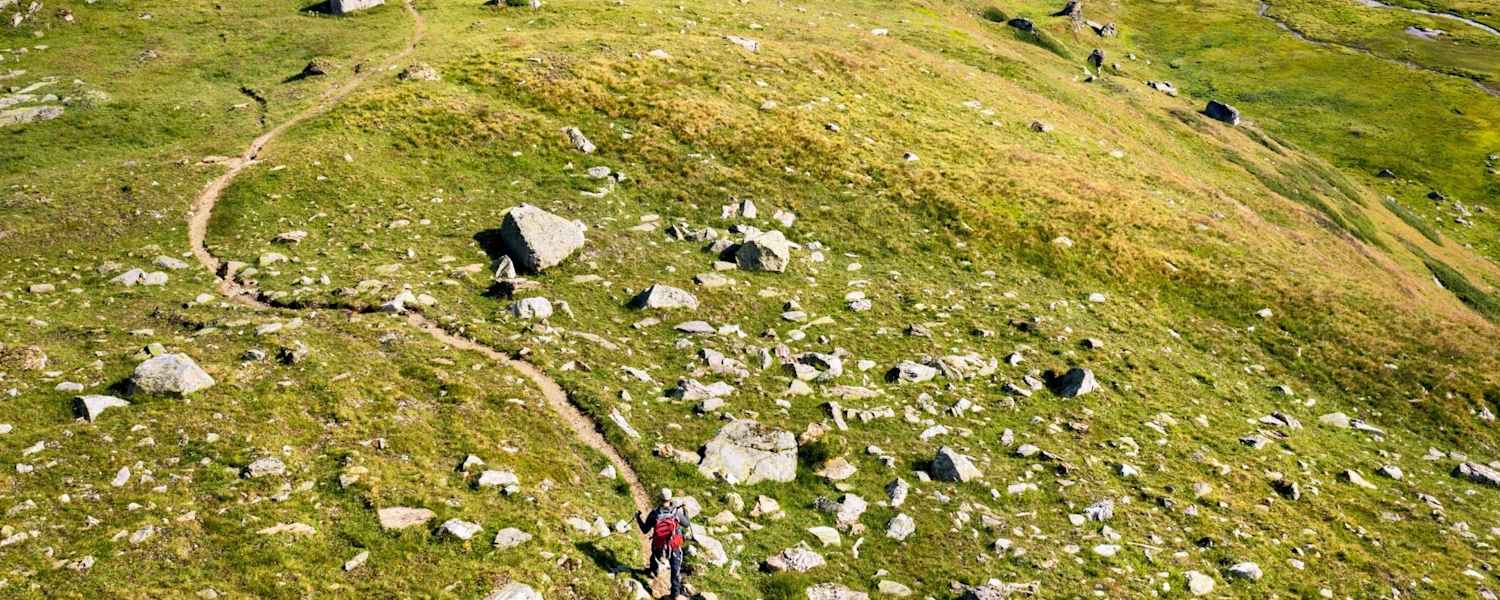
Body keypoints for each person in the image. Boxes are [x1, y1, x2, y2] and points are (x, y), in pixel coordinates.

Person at [637, 490, 691, 600]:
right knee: (675, 569)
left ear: (659, 499)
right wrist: (686, 511)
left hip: (659, 546)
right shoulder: (676, 513)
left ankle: (653, 570)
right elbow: (686, 524)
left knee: (654, 554)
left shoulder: (654, 514)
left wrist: (638, 517)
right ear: (670, 499)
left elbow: (645, 530)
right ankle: (674, 594)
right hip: (674, 545)